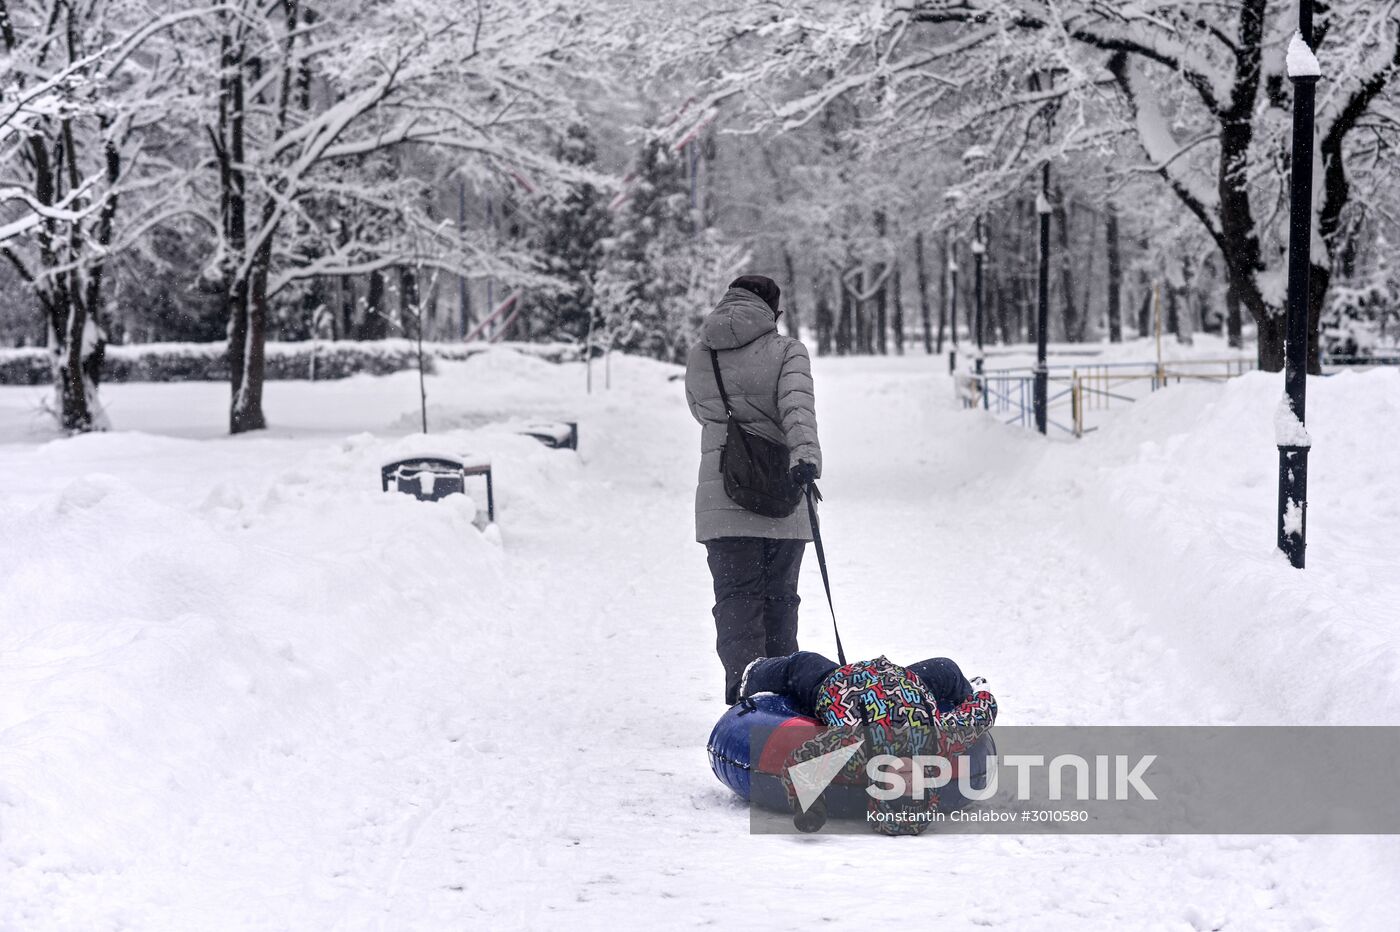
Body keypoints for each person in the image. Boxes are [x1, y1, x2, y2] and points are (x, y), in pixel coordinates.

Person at [685, 275, 822, 705]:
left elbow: (699, 409)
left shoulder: (700, 353)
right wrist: (805, 458)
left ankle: (744, 693)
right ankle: (780, 699)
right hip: (781, 492)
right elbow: (797, 409)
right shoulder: (787, 352)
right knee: (779, 598)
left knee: (735, 600)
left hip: (723, 494)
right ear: (772, 312)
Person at [739, 651, 997, 834]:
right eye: (914, 790)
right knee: (946, 668)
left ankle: (753, 673)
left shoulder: (860, 750)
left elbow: (801, 760)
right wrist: (975, 697)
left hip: (838, 682)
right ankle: (966, 687)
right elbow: (982, 712)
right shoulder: (937, 742)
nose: (905, 780)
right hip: (907, 679)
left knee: (802, 663)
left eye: (895, 789)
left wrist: (810, 805)